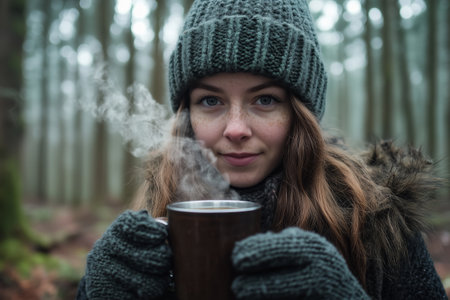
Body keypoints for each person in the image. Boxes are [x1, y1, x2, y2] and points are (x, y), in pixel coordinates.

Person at [76, 0, 448, 299]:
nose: (236, 129)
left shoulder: (377, 225)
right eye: (210, 102)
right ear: (186, 116)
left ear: (299, 114)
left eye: (265, 100)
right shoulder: (152, 220)